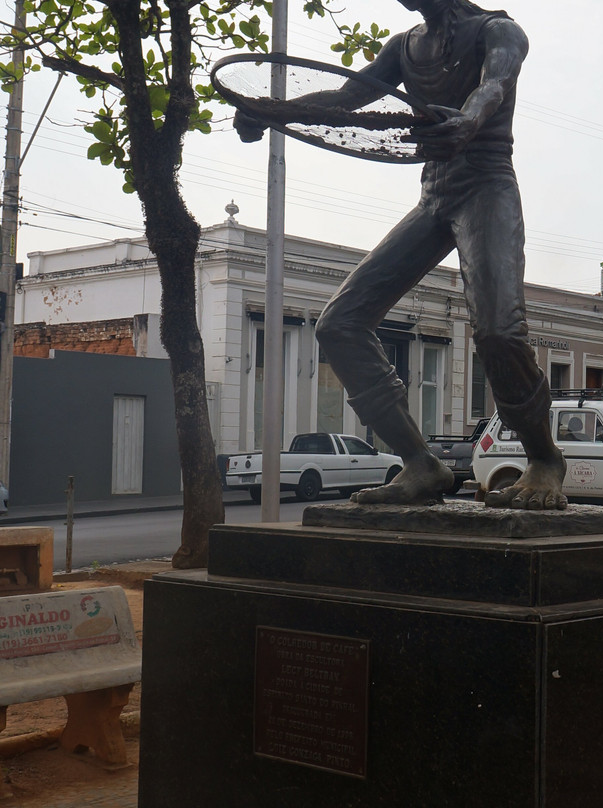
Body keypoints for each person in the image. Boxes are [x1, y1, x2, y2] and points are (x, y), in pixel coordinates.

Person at [235, 0, 566, 510]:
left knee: (499, 330)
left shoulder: (498, 30)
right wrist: (273, 112)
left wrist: (469, 121)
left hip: (487, 186)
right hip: (435, 195)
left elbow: (494, 87)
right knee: (339, 324)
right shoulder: (403, 48)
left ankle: (544, 460)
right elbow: (347, 98)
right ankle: (420, 463)